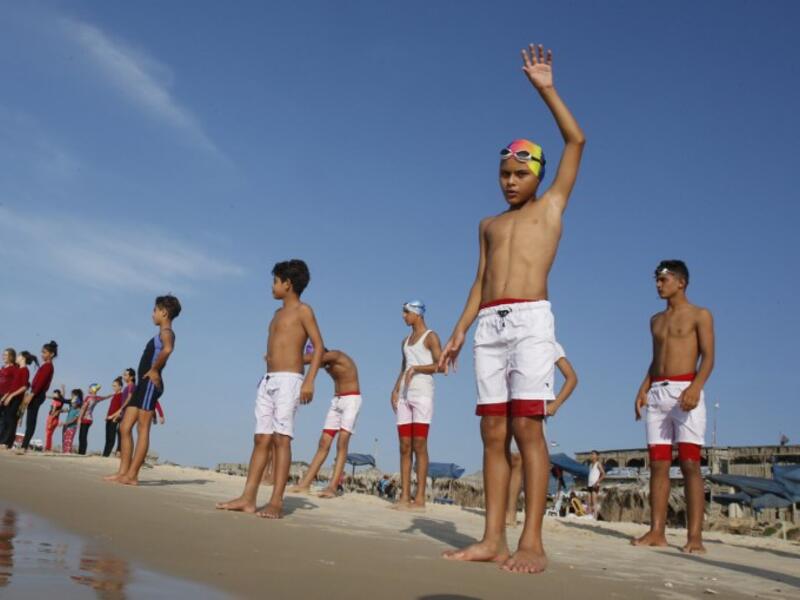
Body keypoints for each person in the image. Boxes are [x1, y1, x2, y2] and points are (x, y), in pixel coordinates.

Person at [438, 44, 585, 574]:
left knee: (528, 430)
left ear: (538, 177)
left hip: (530, 321)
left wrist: (545, 88)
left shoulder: (551, 208)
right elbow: (479, 281)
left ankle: (532, 542)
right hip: (489, 326)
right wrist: (458, 330)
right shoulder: (489, 225)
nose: (509, 181)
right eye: (504, 173)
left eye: (519, 173)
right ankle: (492, 537)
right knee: (492, 433)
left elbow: (577, 139)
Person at [216, 260, 324, 519]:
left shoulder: (303, 311)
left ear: (288, 284)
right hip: (268, 379)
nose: (272, 286)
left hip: (290, 380)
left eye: (275, 281)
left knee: (281, 439)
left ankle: (276, 501)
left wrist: (310, 381)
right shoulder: (277, 314)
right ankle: (248, 497)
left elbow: (319, 347)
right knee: (261, 438)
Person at [632, 260, 714, 554]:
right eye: (656, 279)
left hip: (685, 391)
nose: (658, 284)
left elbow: (708, 357)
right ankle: (657, 531)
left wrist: (696, 387)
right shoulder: (655, 320)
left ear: (681, 282)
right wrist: (643, 388)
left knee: (690, 463)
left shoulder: (700, 315)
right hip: (657, 391)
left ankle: (695, 536)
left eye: (664, 279)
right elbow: (657, 359)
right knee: (658, 463)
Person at [105, 295, 181, 485]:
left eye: (154, 310)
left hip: (149, 385)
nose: (152, 314)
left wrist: (155, 369)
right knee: (124, 427)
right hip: (141, 386)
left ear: (164, 312)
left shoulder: (167, 332)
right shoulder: (160, 333)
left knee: (143, 427)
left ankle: (132, 475)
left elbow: (168, 349)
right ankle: (123, 472)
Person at [506, 342, 577, 526]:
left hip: (536, 408)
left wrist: (556, 404)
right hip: (513, 404)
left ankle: (530, 517)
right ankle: (511, 513)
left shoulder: (551, 344)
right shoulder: (514, 339)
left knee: (532, 463)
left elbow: (572, 378)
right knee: (516, 460)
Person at [290, 346, 363, 498]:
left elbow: (307, 359)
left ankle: (333, 486)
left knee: (342, 443)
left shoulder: (335, 355)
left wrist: (281, 358)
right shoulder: (327, 364)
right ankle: (305, 483)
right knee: (323, 442)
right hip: (336, 401)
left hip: (351, 400)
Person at [391, 300, 442, 511]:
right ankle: (404, 496)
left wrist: (418, 369)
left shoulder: (431, 336)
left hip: (423, 394)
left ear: (417, 314)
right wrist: (395, 389)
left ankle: (420, 497)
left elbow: (440, 365)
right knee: (404, 446)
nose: (403, 316)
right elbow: (404, 367)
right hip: (405, 395)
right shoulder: (405, 341)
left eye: (406, 312)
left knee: (419, 444)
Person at [18, 340, 58, 452]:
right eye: (42, 352)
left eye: (44, 352)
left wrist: (32, 394)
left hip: (37, 395)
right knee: (29, 420)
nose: (42, 354)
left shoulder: (48, 366)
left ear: (51, 354)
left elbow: (40, 383)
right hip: (35, 393)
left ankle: (24, 446)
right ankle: (24, 446)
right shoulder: (45, 366)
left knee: (31, 420)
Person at [0, 351, 37, 449]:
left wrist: (11, 396)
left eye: (19, 356)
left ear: (23, 358)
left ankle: (6, 442)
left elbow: (24, 387)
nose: (17, 357)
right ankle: (3, 441)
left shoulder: (25, 370)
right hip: (10, 397)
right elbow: (12, 386)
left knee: (11, 421)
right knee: (6, 419)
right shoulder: (19, 369)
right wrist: (6, 396)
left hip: (16, 399)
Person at [106, 368, 136, 456]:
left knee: (124, 432)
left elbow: (129, 398)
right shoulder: (127, 387)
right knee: (121, 432)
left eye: (126, 375)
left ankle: (122, 453)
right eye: (124, 374)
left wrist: (120, 410)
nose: (124, 376)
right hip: (124, 413)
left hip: (128, 412)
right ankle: (120, 452)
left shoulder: (131, 386)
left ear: (131, 377)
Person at [78, 384, 110, 455]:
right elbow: (105, 397)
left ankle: (81, 452)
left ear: (93, 389)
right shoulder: (97, 398)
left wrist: (80, 419)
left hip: (84, 418)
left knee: (82, 436)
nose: (88, 389)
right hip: (90, 419)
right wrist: (111, 394)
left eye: (89, 388)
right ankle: (82, 451)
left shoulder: (88, 398)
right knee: (84, 435)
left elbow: (84, 408)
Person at [0, 349, 18, 443]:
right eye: (3, 354)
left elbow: (14, 384)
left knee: (3, 419)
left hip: (5, 395)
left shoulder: (14, 369)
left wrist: (6, 396)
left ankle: (2, 440)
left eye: (6, 355)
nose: (4, 356)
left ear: (11, 357)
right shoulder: (3, 368)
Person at [103, 378, 125, 457]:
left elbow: (121, 408)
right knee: (107, 437)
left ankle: (106, 455)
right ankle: (104, 454)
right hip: (108, 418)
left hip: (114, 419)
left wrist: (114, 416)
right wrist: (107, 416)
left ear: (120, 387)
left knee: (111, 438)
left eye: (115, 386)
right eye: (113, 386)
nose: (113, 388)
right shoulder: (114, 396)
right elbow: (111, 408)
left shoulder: (122, 395)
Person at [44, 386, 67, 452]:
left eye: (54, 394)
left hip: (52, 418)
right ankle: (48, 447)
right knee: (50, 434)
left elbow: (53, 412)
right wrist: (63, 389)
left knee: (48, 434)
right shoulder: (61, 402)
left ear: (57, 395)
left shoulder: (55, 402)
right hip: (56, 419)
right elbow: (62, 395)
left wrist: (50, 421)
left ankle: (47, 448)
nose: (53, 395)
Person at [61, 389, 83, 454]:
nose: (72, 404)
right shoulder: (71, 408)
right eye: (72, 403)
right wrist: (60, 410)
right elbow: (64, 410)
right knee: (64, 440)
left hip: (72, 427)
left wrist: (65, 423)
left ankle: (67, 452)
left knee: (69, 440)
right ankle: (64, 452)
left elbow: (74, 420)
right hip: (66, 427)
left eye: (74, 403)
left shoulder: (79, 410)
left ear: (77, 403)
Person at [587, 451, 605, 518]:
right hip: (589, 484)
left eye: (593, 454)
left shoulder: (598, 464)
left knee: (594, 502)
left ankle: (595, 517)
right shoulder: (590, 465)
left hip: (595, 485)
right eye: (591, 454)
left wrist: (597, 482)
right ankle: (590, 515)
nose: (591, 455)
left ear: (597, 456)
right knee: (589, 501)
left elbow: (603, 474)